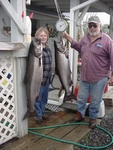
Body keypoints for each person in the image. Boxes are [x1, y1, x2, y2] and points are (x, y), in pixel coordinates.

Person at [62, 16, 113, 128]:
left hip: (100, 77)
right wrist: (68, 37)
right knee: (81, 97)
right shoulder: (85, 38)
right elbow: (78, 47)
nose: (92, 28)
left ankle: (93, 118)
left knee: (95, 100)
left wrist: (112, 76)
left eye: (95, 25)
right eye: (90, 25)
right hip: (84, 76)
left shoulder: (107, 40)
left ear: (99, 26)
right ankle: (79, 115)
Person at [34, 27, 52, 125]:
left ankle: (42, 112)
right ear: (37, 37)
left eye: (45, 35)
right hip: (39, 78)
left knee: (44, 97)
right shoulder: (37, 48)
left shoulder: (48, 48)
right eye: (41, 35)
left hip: (47, 78)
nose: (44, 37)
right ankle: (38, 116)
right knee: (38, 97)